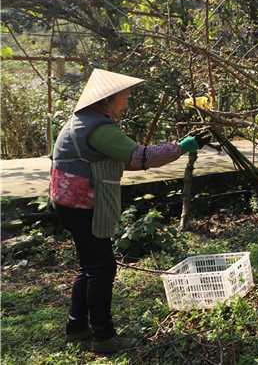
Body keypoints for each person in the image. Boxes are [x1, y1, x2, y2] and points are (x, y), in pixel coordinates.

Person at [49, 69, 211, 354]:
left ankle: (77, 328)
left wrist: (177, 148)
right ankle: (103, 338)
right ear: (107, 100)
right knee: (101, 268)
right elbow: (141, 157)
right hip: (80, 204)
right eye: (124, 97)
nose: (126, 103)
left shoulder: (84, 121)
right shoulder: (98, 128)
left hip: (68, 202)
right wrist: (182, 146)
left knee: (90, 266)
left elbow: (127, 161)